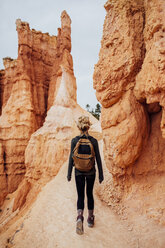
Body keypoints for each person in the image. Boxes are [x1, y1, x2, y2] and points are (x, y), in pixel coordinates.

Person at [67, 115, 104, 235]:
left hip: (78, 172)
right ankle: (90, 219)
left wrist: (69, 174)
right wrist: (101, 174)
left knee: (80, 195)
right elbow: (98, 158)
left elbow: (71, 159)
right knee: (89, 194)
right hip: (90, 172)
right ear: (88, 126)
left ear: (79, 127)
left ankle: (79, 217)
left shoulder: (74, 140)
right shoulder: (93, 141)